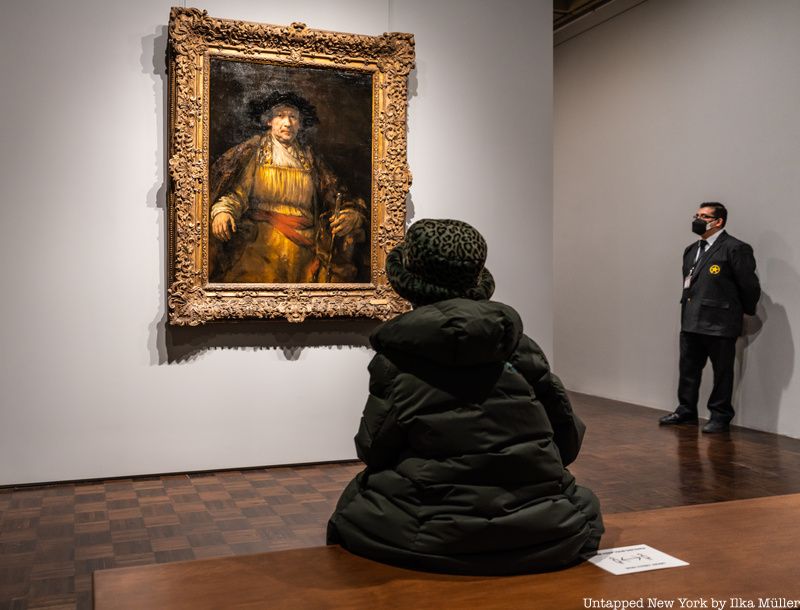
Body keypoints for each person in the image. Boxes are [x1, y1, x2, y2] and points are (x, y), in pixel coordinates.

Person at [327, 218, 604, 575]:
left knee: (354, 505)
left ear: (409, 285)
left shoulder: (396, 361)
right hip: (541, 530)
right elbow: (567, 439)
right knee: (581, 504)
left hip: (432, 532)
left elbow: (372, 449)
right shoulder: (519, 348)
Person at [209, 91, 367, 283]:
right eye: (280, 116)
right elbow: (236, 194)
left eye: (293, 117)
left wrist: (351, 214)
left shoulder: (309, 159)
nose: (288, 123)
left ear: (300, 124)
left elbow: (336, 195)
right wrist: (223, 211)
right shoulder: (254, 151)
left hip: (305, 249)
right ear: (269, 121)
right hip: (260, 245)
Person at [659, 202, 761, 433]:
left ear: (719, 221)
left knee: (722, 372)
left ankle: (720, 415)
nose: (697, 219)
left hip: (720, 323)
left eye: (704, 216)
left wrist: (745, 311)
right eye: (697, 214)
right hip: (691, 320)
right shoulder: (691, 250)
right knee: (688, 370)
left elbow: (749, 285)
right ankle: (686, 410)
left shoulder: (735, 248)